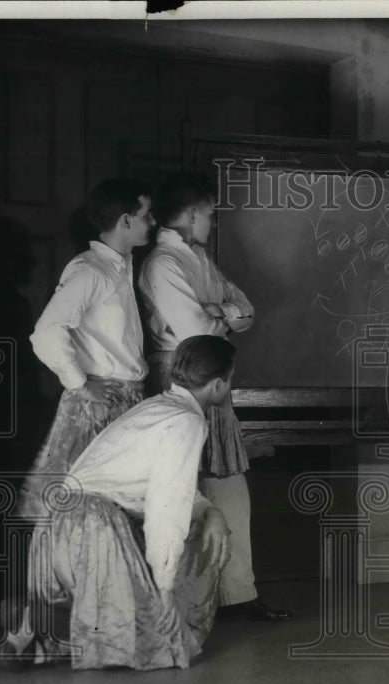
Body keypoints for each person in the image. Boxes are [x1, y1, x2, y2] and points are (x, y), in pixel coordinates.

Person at [2, 336, 235, 670]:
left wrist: (210, 511)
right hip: (93, 526)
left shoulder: (156, 407)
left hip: (58, 526)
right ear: (217, 385)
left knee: (108, 622)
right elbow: (167, 503)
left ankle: (38, 625)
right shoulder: (187, 421)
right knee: (157, 643)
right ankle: (44, 625)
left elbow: (166, 486)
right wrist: (165, 589)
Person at [139, 172, 290, 622]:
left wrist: (221, 312)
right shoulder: (163, 263)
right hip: (180, 381)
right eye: (210, 214)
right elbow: (197, 332)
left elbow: (246, 310)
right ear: (191, 214)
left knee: (229, 489)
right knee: (182, 491)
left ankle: (239, 594)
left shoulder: (198, 259)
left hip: (213, 381)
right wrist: (223, 316)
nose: (214, 222)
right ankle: (185, 602)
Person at [20, 178, 154, 521]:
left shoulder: (120, 268)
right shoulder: (91, 269)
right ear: (125, 220)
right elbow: (46, 331)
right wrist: (80, 384)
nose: (152, 223)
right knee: (92, 513)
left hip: (124, 401)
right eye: (146, 216)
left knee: (121, 511)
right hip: (100, 403)